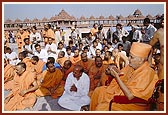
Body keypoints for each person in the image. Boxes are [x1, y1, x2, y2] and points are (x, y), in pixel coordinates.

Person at [90, 42, 159, 111]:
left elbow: (130, 96)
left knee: (102, 107)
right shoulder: (131, 66)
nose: (128, 59)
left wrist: (116, 77)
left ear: (141, 60)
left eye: (132, 57)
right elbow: (122, 75)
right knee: (98, 91)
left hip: (133, 104)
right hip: (120, 91)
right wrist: (114, 71)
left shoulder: (147, 73)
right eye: (129, 56)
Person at [149, 18, 164, 111]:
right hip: (163, 68)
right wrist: (150, 61)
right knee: (161, 94)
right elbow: (149, 47)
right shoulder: (159, 33)